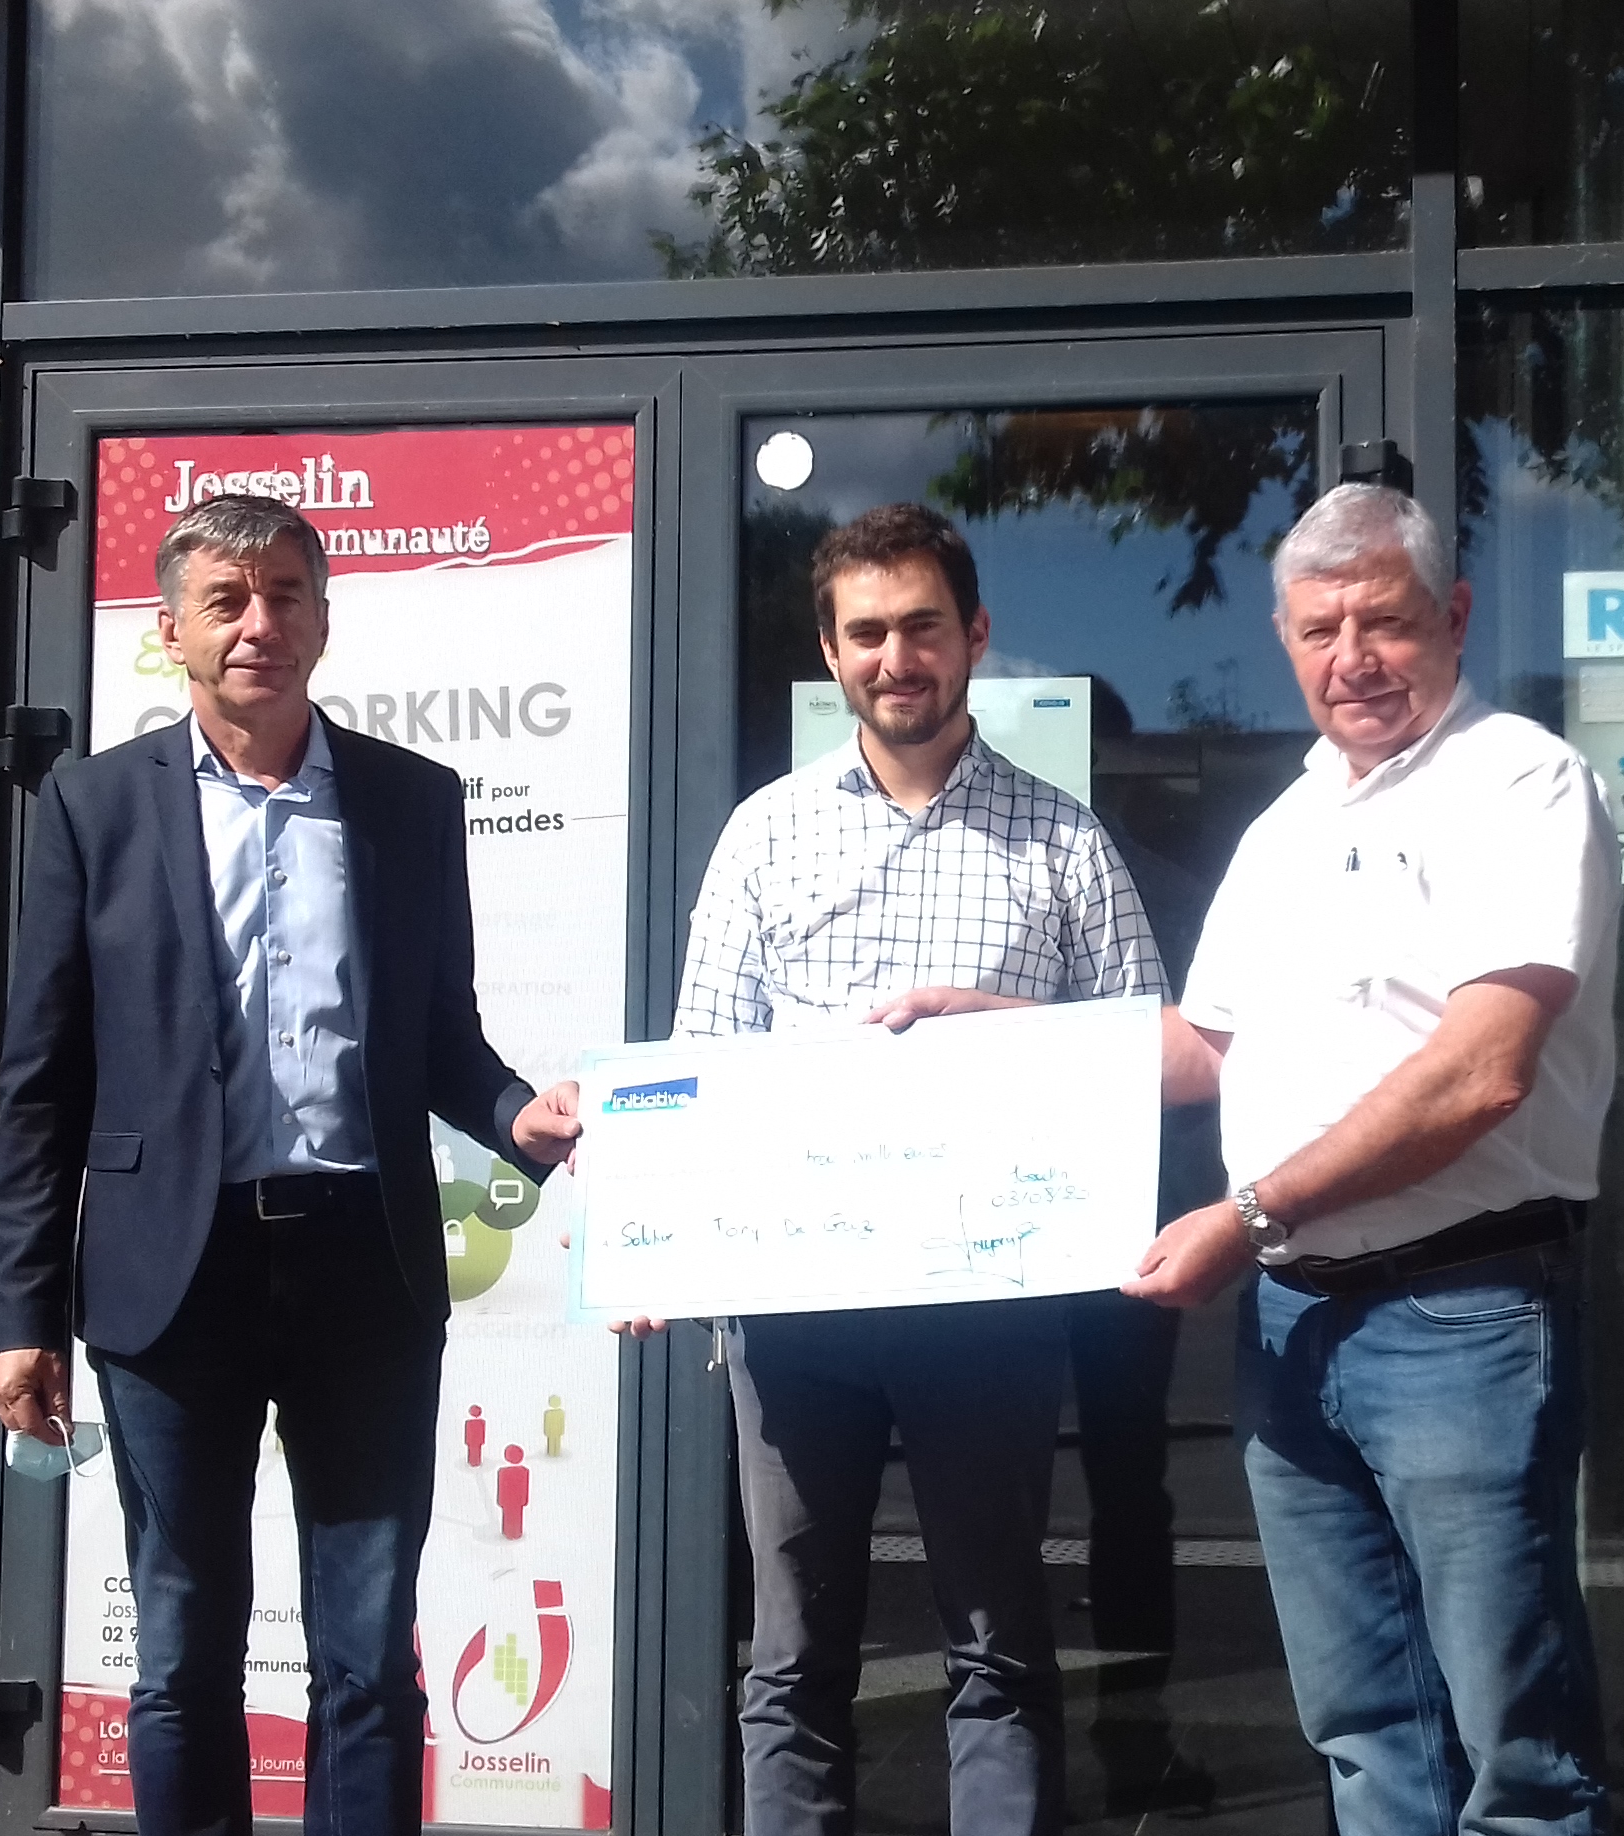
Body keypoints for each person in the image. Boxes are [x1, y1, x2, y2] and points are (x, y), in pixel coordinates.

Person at [529, 502, 1163, 1836]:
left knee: (997, 1648)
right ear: (831, 653)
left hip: (988, 1311)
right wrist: (638, 1232)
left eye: (923, 626)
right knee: (794, 1658)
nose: (897, 657)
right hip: (794, 1320)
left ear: (974, 635)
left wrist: (1007, 1029)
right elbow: (701, 1063)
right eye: (867, 633)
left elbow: (1146, 1062)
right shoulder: (763, 837)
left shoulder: (1066, 843)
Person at [0, 493, 577, 1836]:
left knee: (368, 1650)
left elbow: (441, 1036)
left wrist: (515, 1116)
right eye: (228, 601)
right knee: (185, 1644)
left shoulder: (410, 801)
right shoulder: (92, 806)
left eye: (287, 595)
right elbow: (39, 1084)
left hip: (362, 1265)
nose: (260, 624)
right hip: (167, 1276)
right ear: (171, 631)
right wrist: (22, 1317)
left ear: (322, 619)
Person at [1128, 482, 1621, 1835]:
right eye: (1320, 629)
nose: (1353, 658)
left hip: (1463, 1311)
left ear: (1452, 616)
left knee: (1519, 1756)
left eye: (1386, 622)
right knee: (1364, 1732)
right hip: (1294, 1322)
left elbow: (1482, 1070)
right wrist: (994, 1042)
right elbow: (1204, 1045)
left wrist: (1249, 1215)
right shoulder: (1284, 828)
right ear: (1286, 641)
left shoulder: (1521, 785)